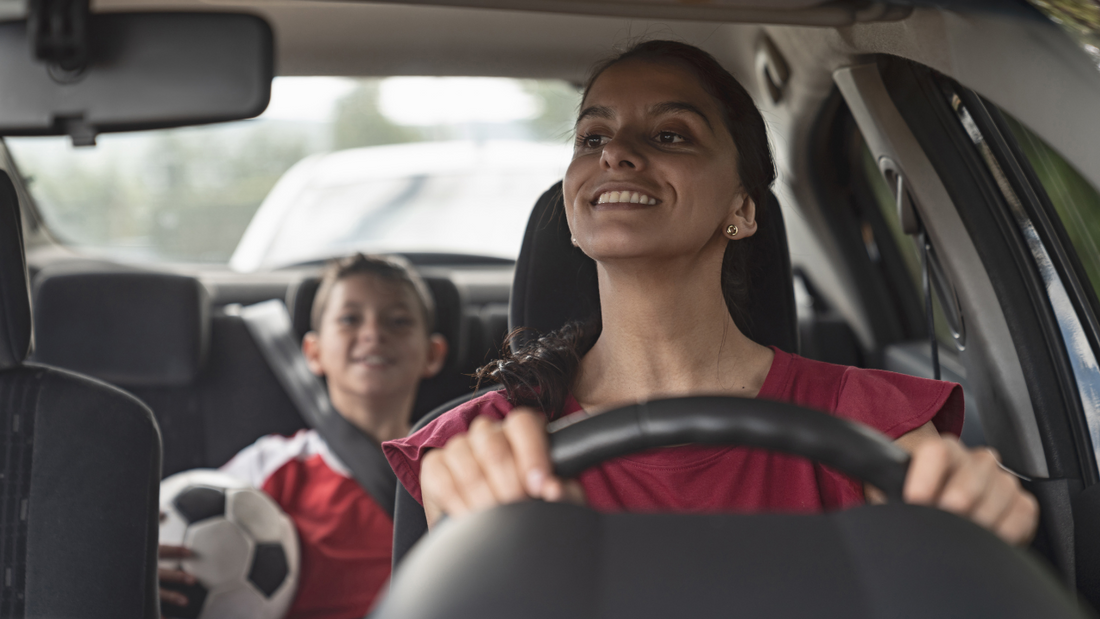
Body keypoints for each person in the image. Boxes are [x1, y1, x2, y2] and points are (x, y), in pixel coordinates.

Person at [381, 40, 1039, 545]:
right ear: (572, 206)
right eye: (592, 136)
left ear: (744, 209)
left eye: (670, 134)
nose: (615, 154)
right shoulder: (481, 448)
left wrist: (973, 511)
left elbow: (947, 548)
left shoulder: (867, 421)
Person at [160, 254, 447, 618]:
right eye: (349, 319)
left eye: (399, 321)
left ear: (433, 354)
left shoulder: (450, 464)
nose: (374, 332)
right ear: (313, 353)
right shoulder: (272, 465)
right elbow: (172, 535)